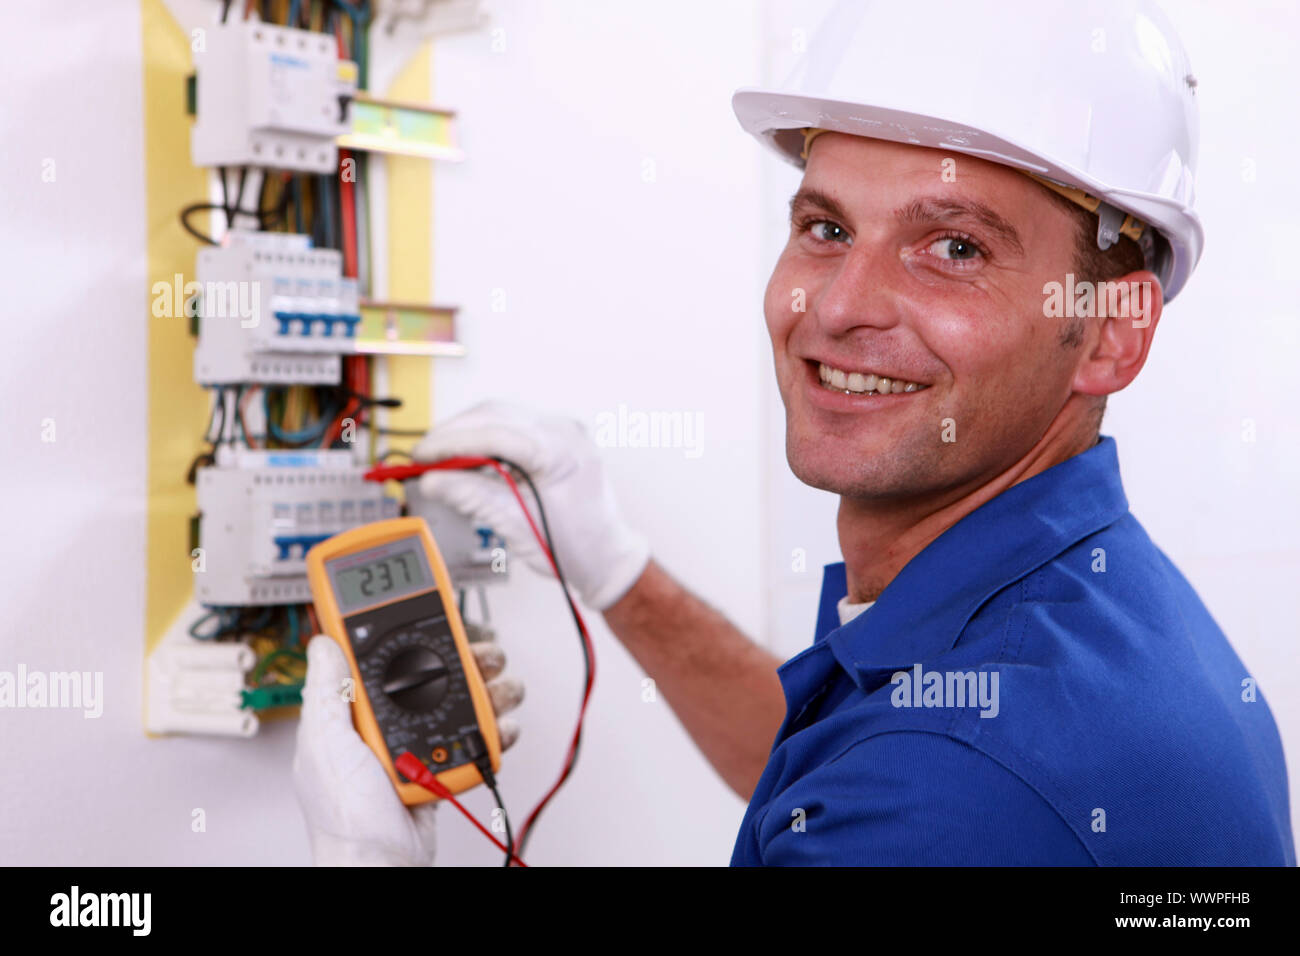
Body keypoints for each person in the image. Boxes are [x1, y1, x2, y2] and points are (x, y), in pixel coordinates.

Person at [293, 0, 1295, 865]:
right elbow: (839, 759)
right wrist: (614, 571)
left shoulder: (952, 783)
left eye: (951, 246)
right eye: (824, 228)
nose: (838, 306)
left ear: (1109, 335)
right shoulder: (1069, 612)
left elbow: (911, 783)